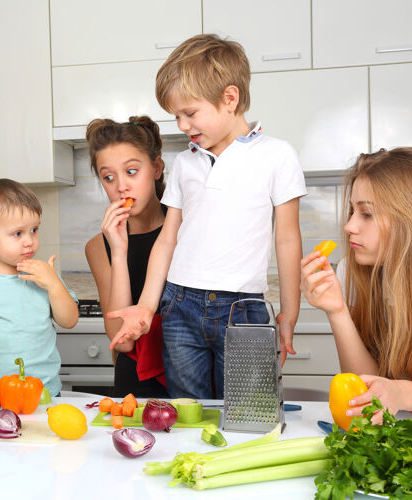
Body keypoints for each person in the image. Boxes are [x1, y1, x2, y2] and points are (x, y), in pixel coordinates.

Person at [107, 34, 307, 399]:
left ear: (229, 99)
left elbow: (288, 239)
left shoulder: (277, 156)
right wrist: (147, 308)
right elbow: (168, 239)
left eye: (189, 113)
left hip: (243, 309)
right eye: (177, 116)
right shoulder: (186, 162)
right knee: (188, 415)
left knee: (248, 413)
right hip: (180, 305)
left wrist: (290, 312)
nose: (182, 125)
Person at [301, 147, 412, 419]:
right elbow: (367, 386)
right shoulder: (351, 273)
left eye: (367, 214)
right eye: (352, 211)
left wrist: (403, 393)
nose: (350, 226)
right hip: (395, 428)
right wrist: (337, 310)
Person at [0, 178, 79, 396]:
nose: (29, 241)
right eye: (18, 233)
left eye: (34, 230)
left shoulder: (46, 274)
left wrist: (54, 285)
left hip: (45, 392)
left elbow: (69, 321)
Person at [84, 115, 169, 398]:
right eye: (108, 177)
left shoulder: (185, 228)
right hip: (135, 389)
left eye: (131, 171)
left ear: (156, 168)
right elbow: (121, 341)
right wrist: (119, 251)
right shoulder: (98, 247)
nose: (121, 186)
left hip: (190, 376)